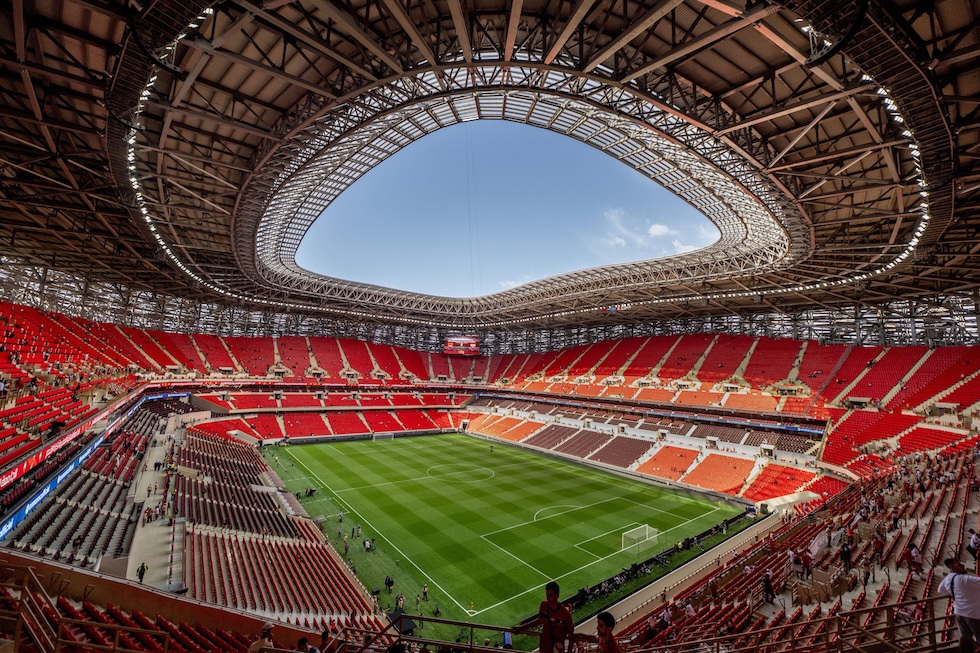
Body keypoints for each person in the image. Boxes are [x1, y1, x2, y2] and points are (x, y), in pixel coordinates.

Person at [938, 558, 980, 653]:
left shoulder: (948, 578)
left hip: (959, 612)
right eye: (959, 565)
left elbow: (940, 590)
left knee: (965, 638)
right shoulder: (964, 579)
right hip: (973, 614)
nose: (962, 566)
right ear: (953, 567)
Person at [538, 581, 573, 653]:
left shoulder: (565, 614)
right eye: (547, 594)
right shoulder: (544, 605)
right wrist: (522, 627)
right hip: (544, 648)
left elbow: (571, 637)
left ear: (557, 595)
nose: (548, 598)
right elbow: (539, 621)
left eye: (550, 595)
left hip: (557, 650)